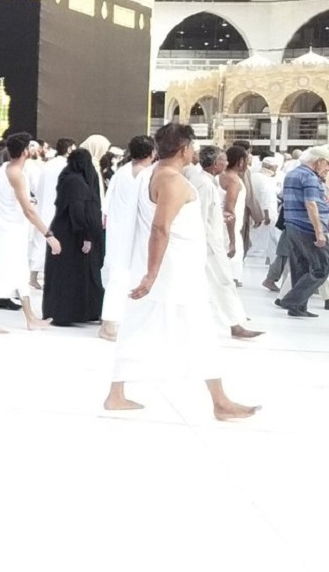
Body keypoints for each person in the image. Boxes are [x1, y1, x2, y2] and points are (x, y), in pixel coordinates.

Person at [104, 124, 259, 419]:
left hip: (170, 271)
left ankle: (117, 394)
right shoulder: (171, 180)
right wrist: (151, 275)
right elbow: (160, 228)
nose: (195, 151)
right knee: (199, 331)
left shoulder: (155, 174)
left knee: (140, 327)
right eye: (193, 146)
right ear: (184, 149)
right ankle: (220, 401)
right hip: (173, 273)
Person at [0, 132, 60, 333]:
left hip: (10, 230)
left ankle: (30, 317)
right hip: (8, 232)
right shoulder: (15, 174)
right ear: (25, 151)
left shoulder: (5, 169)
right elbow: (28, 211)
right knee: (2, 271)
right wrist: (49, 235)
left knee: (20, 273)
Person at [187, 146, 263, 340]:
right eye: (223, 160)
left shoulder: (208, 181)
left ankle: (234, 322)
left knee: (219, 283)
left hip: (211, 240)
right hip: (208, 243)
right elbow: (199, 217)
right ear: (215, 164)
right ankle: (235, 324)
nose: (226, 163)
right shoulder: (203, 184)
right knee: (223, 282)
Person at [98, 135, 154, 341]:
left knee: (119, 276)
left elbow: (106, 205)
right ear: (152, 153)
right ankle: (110, 325)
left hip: (118, 232)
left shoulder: (121, 172)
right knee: (123, 277)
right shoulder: (147, 175)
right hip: (132, 234)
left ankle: (116, 322)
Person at [41, 148, 105, 326]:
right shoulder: (76, 182)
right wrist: (86, 235)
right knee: (71, 274)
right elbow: (77, 211)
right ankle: (67, 313)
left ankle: (69, 312)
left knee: (67, 273)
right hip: (71, 235)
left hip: (66, 231)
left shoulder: (69, 178)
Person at [275, 145, 329, 318]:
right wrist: (319, 232)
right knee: (322, 267)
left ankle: (298, 307)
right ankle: (292, 300)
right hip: (308, 227)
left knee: (301, 267)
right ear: (319, 161)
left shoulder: (293, 173)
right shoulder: (310, 177)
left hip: (293, 225)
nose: (327, 168)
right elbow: (311, 204)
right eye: (327, 164)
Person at [30, 137, 74, 290]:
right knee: (54, 243)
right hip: (57, 208)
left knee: (40, 241)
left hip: (43, 206)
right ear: (69, 149)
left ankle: (33, 276)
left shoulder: (48, 164)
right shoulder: (66, 166)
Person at [219, 146, 249, 286]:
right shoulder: (233, 180)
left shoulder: (221, 175)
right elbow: (229, 210)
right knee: (231, 278)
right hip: (229, 229)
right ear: (241, 161)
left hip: (221, 226)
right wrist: (232, 240)